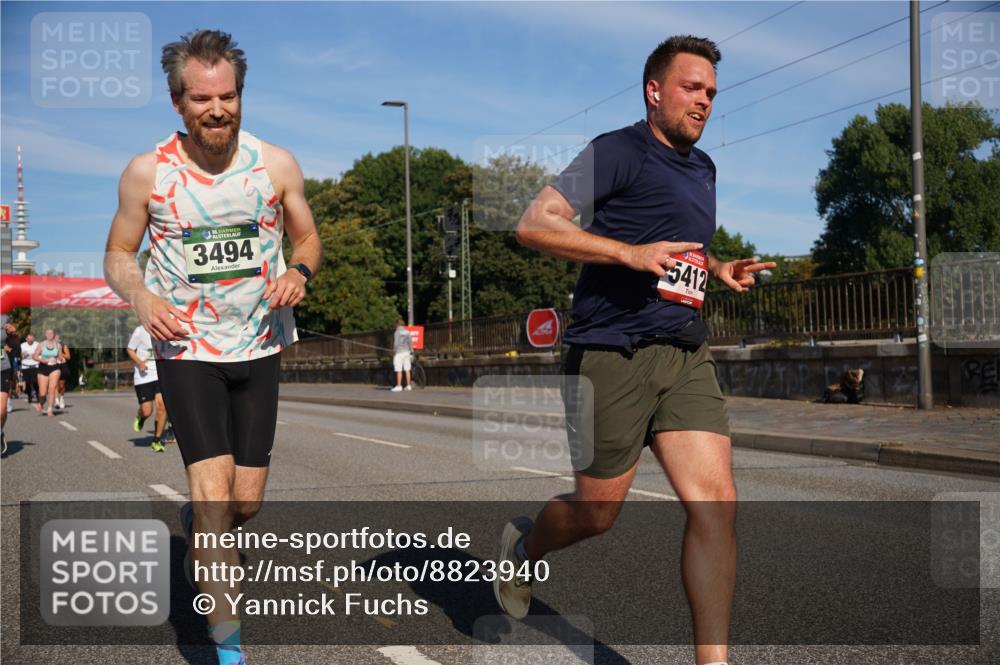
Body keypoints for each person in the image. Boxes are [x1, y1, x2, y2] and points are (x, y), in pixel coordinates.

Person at [494, 36, 775, 665]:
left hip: (683, 352)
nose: (704, 101)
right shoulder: (617, 150)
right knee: (597, 514)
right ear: (654, 91)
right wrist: (628, 254)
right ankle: (525, 549)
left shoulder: (702, 168)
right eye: (691, 88)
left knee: (717, 504)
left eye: (711, 93)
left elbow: (676, 253)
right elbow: (535, 222)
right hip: (610, 354)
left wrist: (719, 266)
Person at [103, 29, 321, 665]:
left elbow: (308, 239)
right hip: (187, 349)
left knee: (244, 502)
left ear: (241, 96)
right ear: (178, 102)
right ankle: (230, 653)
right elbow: (118, 254)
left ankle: (208, 533)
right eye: (202, 99)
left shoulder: (275, 164)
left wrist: (298, 273)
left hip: (258, 346)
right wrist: (141, 299)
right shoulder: (148, 172)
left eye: (227, 96)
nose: (217, 109)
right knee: (213, 494)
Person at [127, 324, 169, 452]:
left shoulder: (165, 329)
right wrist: (139, 362)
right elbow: (130, 349)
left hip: (161, 374)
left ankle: (157, 440)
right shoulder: (140, 331)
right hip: (143, 376)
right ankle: (141, 416)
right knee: (147, 411)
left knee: (162, 406)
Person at [32, 329, 62, 417]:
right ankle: (41, 403)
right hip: (43, 368)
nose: (49, 334)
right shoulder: (41, 345)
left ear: (54, 335)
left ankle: (49, 409)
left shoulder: (58, 345)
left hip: (54, 368)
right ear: (45, 335)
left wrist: (60, 359)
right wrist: (42, 360)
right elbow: (34, 356)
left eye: (51, 333)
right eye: (48, 333)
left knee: (52, 389)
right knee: (43, 393)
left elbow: (60, 356)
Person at [1, 321, 15, 452]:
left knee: (2, 409)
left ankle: (0, 432)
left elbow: (15, 341)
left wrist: (12, 332)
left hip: (2, 369)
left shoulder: (3, 318)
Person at [391, 319, 413, 392]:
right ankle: (409, 385)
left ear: (397, 324)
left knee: (399, 369)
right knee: (407, 369)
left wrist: (394, 352)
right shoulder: (407, 332)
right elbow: (410, 343)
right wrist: (411, 351)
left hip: (399, 353)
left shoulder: (397, 332)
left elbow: (396, 344)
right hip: (407, 352)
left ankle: (399, 385)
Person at [20, 332, 39, 404]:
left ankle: (37, 394)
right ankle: (29, 395)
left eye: (32, 338)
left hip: (35, 365)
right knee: (27, 382)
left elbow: (41, 353)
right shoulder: (22, 345)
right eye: (29, 339)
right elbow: (19, 356)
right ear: (26, 339)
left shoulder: (37, 344)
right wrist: (22, 355)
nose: (31, 340)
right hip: (25, 366)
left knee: (35, 381)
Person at [55, 334, 70, 410]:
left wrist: (61, 353)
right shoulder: (49, 346)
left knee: (61, 385)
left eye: (57, 337)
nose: (56, 339)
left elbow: (68, 357)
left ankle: (61, 399)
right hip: (54, 365)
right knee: (55, 384)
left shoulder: (64, 345)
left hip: (62, 365)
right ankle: (56, 401)